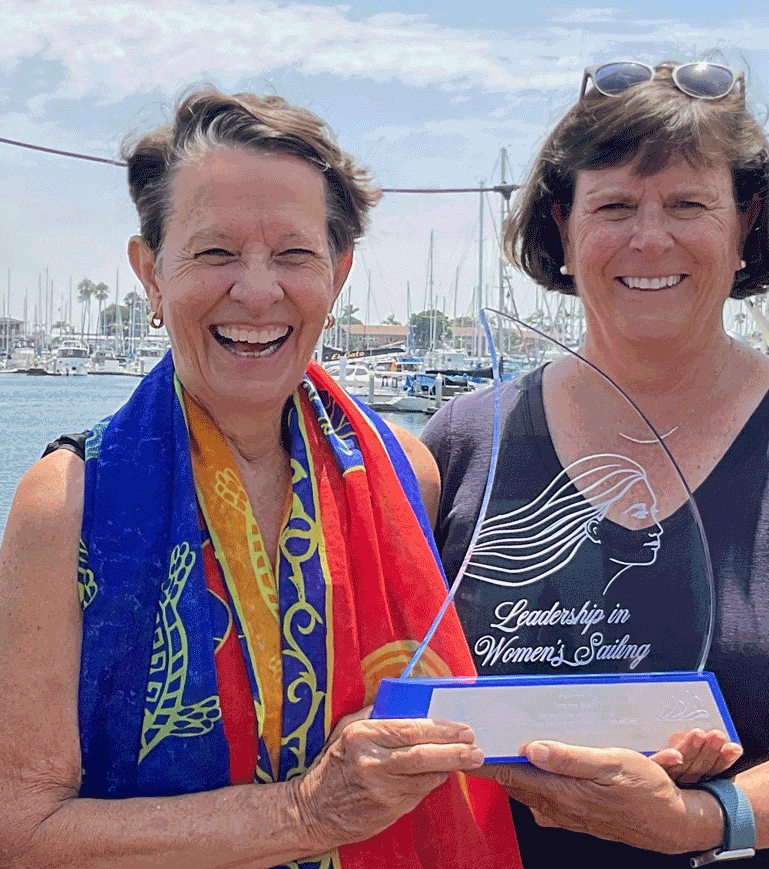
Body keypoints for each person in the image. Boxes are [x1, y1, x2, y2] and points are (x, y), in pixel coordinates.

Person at [0, 88, 523, 869]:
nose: (255, 290)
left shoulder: (408, 472)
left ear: (338, 274)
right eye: (213, 253)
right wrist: (303, 815)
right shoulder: (66, 503)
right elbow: (21, 830)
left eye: (293, 254)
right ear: (150, 271)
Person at [421, 61, 769, 866]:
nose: (650, 238)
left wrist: (705, 818)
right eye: (613, 206)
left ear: (745, 222)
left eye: (687, 205)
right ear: (562, 226)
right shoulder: (462, 442)